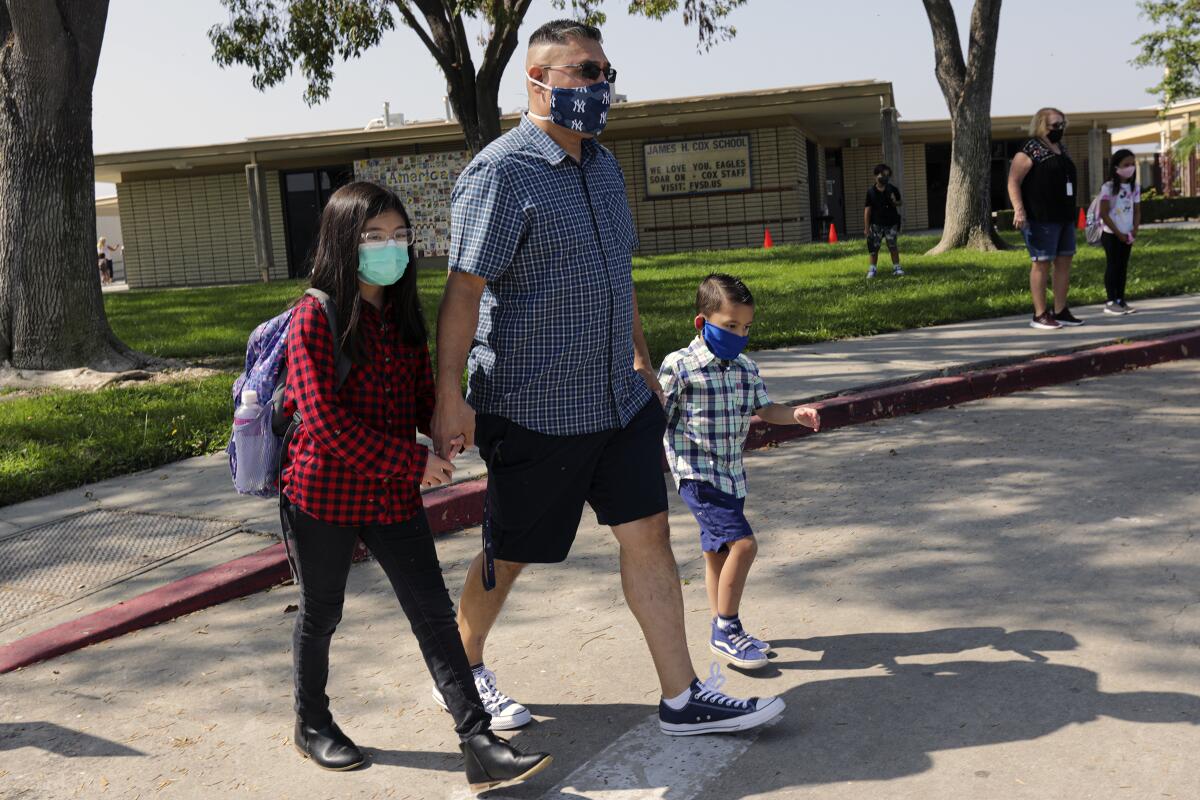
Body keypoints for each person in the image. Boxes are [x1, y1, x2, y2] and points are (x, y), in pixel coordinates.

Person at [432, 19, 785, 736]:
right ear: (540, 82)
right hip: (535, 405)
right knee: (514, 549)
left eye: (604, 70)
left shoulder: (602, 164)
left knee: (649, 533)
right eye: (584, 71)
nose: (601, 84)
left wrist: (641, 361)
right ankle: (460, 667)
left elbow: (614, 273)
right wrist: (449, 396)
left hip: (617, 402)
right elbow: (463, 291)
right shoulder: (500, 173)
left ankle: (683, 697)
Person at [278, 181, 550, 791]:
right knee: (321, 613)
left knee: (431, 612)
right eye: (374, 237)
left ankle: (478, 741)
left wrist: (446, 424)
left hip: (389, 493)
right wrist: (411, 462)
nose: (389, 248)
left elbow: (422, 394)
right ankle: (311, 722)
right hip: (322, 494)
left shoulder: (400, 314)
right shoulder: (312, 317)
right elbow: (323, 424)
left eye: (400, 236)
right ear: (344, 242)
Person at [659, 274, 820, 670]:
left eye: (746, 327)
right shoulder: (679, 366)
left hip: (731, 474)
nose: (739, 334)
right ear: (703, 322)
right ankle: (727, 628)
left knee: (718, 553)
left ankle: (722, 624)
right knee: (744, 545)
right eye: (730, 326)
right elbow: (656, 418)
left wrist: (795, 415)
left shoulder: (745, 367)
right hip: (697, 475)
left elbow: (766, 409)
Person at [1007, 107, 1083, 330]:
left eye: (1062, 124)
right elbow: (1013, 181)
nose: (1060, 129)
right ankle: (1040, 314)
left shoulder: (1062, 148)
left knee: (1064, 262)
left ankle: (1060, 310)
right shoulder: (1030, 149)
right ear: (1041, 125)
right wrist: (1019, 210)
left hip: (1064, 216)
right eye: (1055, 125)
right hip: (1041, 217)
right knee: (1041, 263)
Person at [1098, 149, 1141, 315]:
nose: (1130, 168)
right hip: (1111, 234)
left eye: (1132, 164)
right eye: (1126, 165)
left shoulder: (1134, 187)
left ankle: (1121, 300)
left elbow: (1137, 211)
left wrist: (1134, 230)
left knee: (1123, 267)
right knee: (1113, 265)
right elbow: (1104, 213)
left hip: (1127, 234)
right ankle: (1110, 300)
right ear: (1117, 167)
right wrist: (1118, 233)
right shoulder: (1108, 187)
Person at [863, 164, 904, 278]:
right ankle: (872, 269)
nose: (884, 177)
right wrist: (866, 228)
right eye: (882, 175)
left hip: (891, 223)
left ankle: (897, 267)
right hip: (876, 224)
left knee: (893, 246)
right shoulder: (870, 192)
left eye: (887, 175)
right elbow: (867, 210)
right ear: (876, 176)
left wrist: (895, 201)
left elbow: (900, 202)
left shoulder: (893, 189)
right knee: (873, 247)